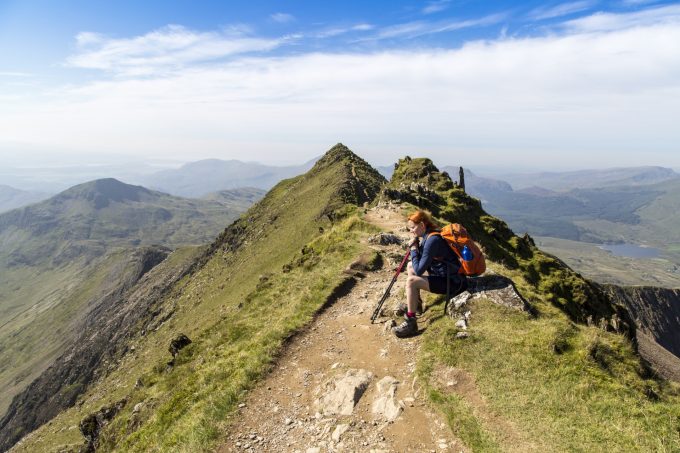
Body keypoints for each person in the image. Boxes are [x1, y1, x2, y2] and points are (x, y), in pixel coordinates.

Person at [392, 210, 468, 338]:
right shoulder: (429, 236)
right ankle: (416, 307)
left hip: (453, 283)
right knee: (411, 266)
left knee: (411, 281)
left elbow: (420, 270)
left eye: (412, 228)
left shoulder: (432, 240)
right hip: (445, 275)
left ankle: (411, 323)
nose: (411, 231)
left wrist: (414, 249)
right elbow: (419, 264)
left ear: (422, 225)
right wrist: (416, 248)